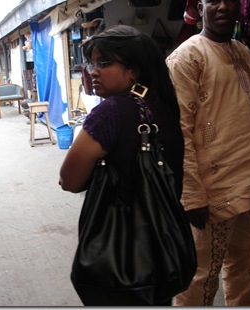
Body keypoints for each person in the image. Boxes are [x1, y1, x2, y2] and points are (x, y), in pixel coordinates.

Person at [165, 0, 250, 306]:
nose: (223, 7)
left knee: (245, 271)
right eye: (214, 0)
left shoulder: (244, 53)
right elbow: (177, 132)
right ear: (200, 6)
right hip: (210, 195)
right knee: (198, 280)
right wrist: (191, 196)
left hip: (249, 187)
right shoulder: (186, 57)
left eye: (231, 0)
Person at [59, 25, 185, 306]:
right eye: (92, 63)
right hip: (163, 252)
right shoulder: (164, 105)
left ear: (134, 71)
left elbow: (69, 180)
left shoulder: (110, 113)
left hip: (120, 258)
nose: (93, 71)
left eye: (105, 63)